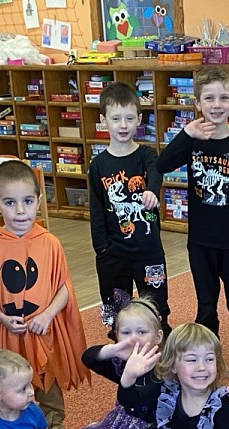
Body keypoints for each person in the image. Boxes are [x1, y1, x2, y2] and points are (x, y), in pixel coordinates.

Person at [0, 159, 89, 429]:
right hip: (9, 335)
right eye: (10, 203)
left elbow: (63, 288)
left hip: (42, 334)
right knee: (11, 387)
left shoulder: (49, 243)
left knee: (48, 386)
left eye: (27, 201)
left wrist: (47, 315)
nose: (20, 211)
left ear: (39, 201)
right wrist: (2, 318)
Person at [156, 65, 229, 377]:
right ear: (198, 103)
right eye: (209, 98)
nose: (216, 105)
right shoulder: (192, 141)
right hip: (200, 242)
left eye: (223, 98)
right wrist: (185, 134)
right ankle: (206, 353)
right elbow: (162, 164)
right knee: (205, 305)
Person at [87, 81, 170, 332]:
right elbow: (96, 209)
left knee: (156, 306)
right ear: (103, 121)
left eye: (129, 118)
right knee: (115, 309)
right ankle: (121, 346)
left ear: (139, 120)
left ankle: (160, 343)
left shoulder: (146, 155)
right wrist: (101, 248)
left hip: (148, 250)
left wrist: (151, 191)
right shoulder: (98, 165)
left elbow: (156, 173)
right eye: (116, 119)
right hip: (114, 253)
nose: (123, 125)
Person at [72, 293, 163, 429]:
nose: (133, 338)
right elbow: (88, 358)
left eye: (142, 332)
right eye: (126, 332)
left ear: (157, 337)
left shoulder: (165, 371)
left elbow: (139, 407)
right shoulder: (123, 362)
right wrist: (112, 350)